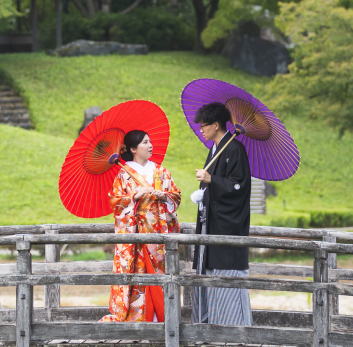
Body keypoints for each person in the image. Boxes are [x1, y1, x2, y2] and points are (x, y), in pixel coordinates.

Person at [101, 128, 181, 323]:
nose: (150, 145)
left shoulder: (161, 172)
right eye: (145, 142)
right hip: (134, 234)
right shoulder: (123, 175)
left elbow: (176, 195)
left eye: (150, 141)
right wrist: (134, 196)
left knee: (160, 275)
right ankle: (136, 319)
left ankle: (162, 318)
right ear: (133, 149)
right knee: (136, 274)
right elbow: (115, 202)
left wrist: (165, 196)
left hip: (159, 233)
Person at [191, 101, 253, 326]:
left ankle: (231, 326)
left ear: (216, 125)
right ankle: (208, 323)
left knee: (226, 274)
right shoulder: (215, 149)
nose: (201, 129)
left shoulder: (235, 149)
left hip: (228, 224)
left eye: (204, 126)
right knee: (208, 271)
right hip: (211, 222)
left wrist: (212, 180)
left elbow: (240, 186)